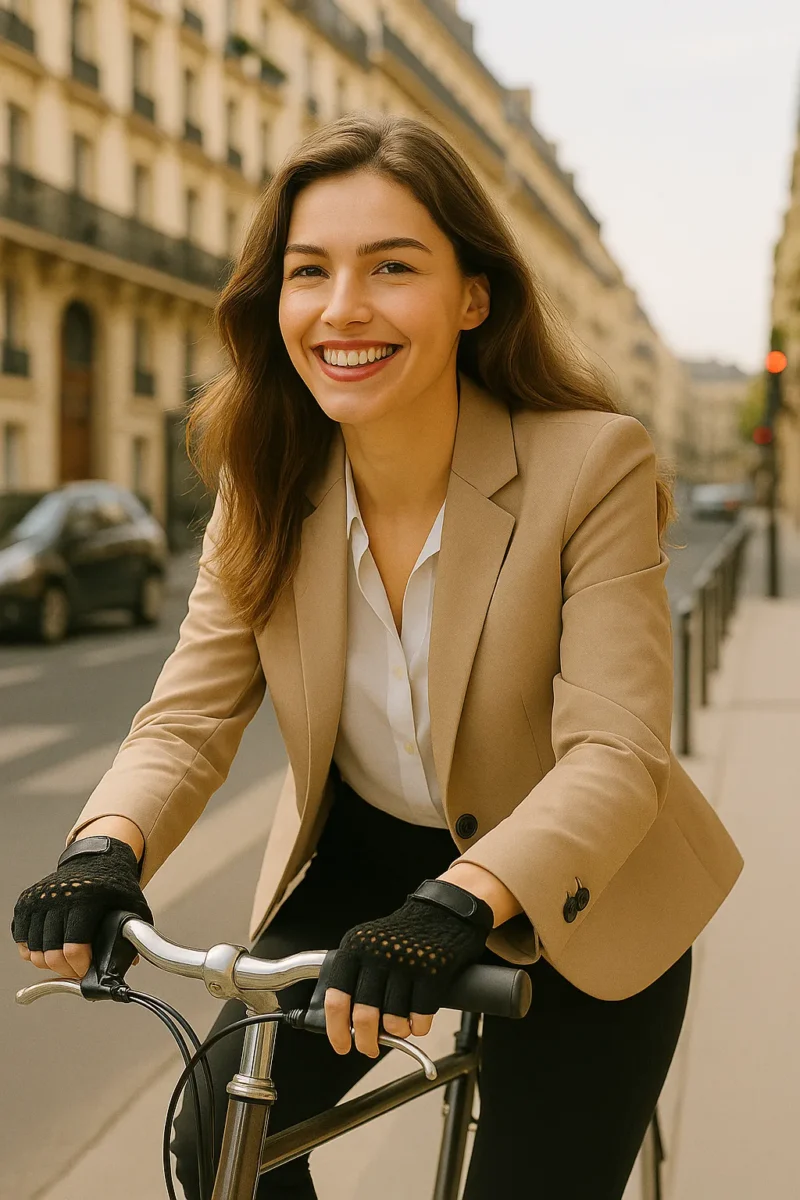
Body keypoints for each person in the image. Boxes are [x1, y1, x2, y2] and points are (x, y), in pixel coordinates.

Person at [12, 114, 744, 1198]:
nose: (342, 307)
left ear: (470, 297)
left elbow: (614, 752)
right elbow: (188, 717)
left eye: (391, 267)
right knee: (219, 1137)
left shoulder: (589, 462)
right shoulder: (263, 484)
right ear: (276, 301)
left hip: (583, 883)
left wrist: (460, 901)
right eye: (308, 271)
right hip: (367, 865)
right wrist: (105, 849)